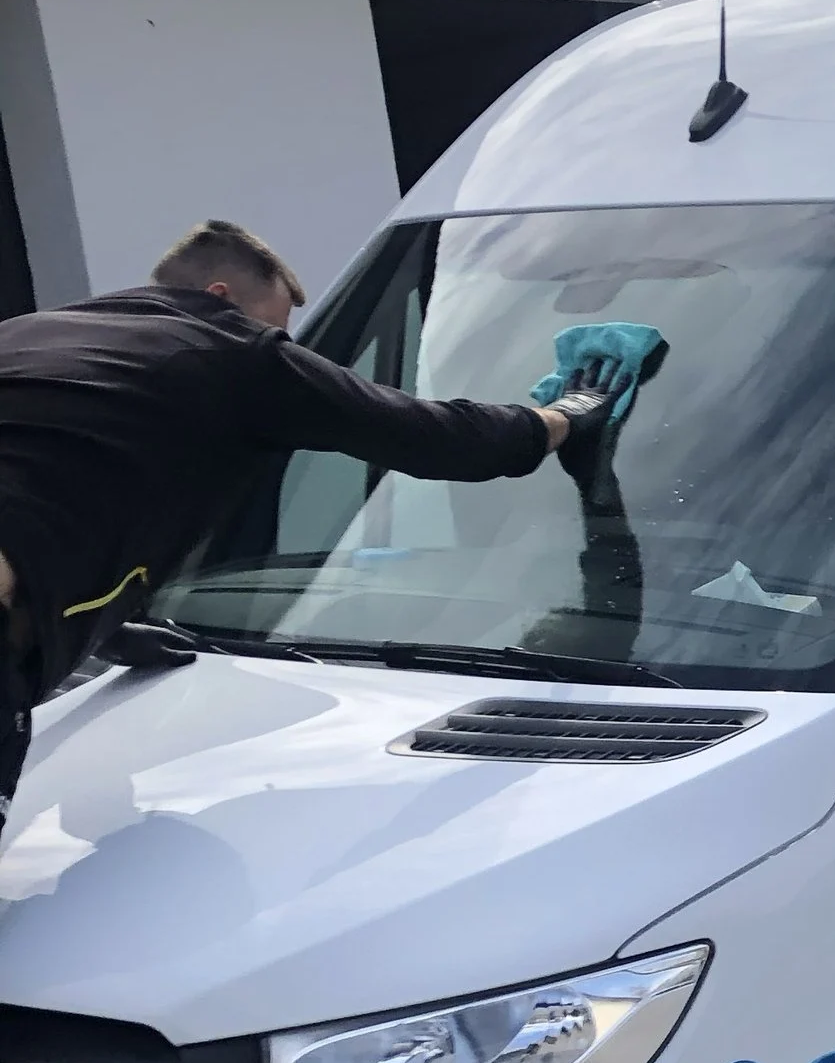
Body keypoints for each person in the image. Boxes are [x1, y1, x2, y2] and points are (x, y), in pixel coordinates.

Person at [0, 217, 619, 835]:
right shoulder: (237, 354)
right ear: (220, 298)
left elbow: (61, 480)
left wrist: (105, 626)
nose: (285, 347)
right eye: (279, 328)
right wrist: (560, 418)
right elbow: (436, 438)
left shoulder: (27, 337)